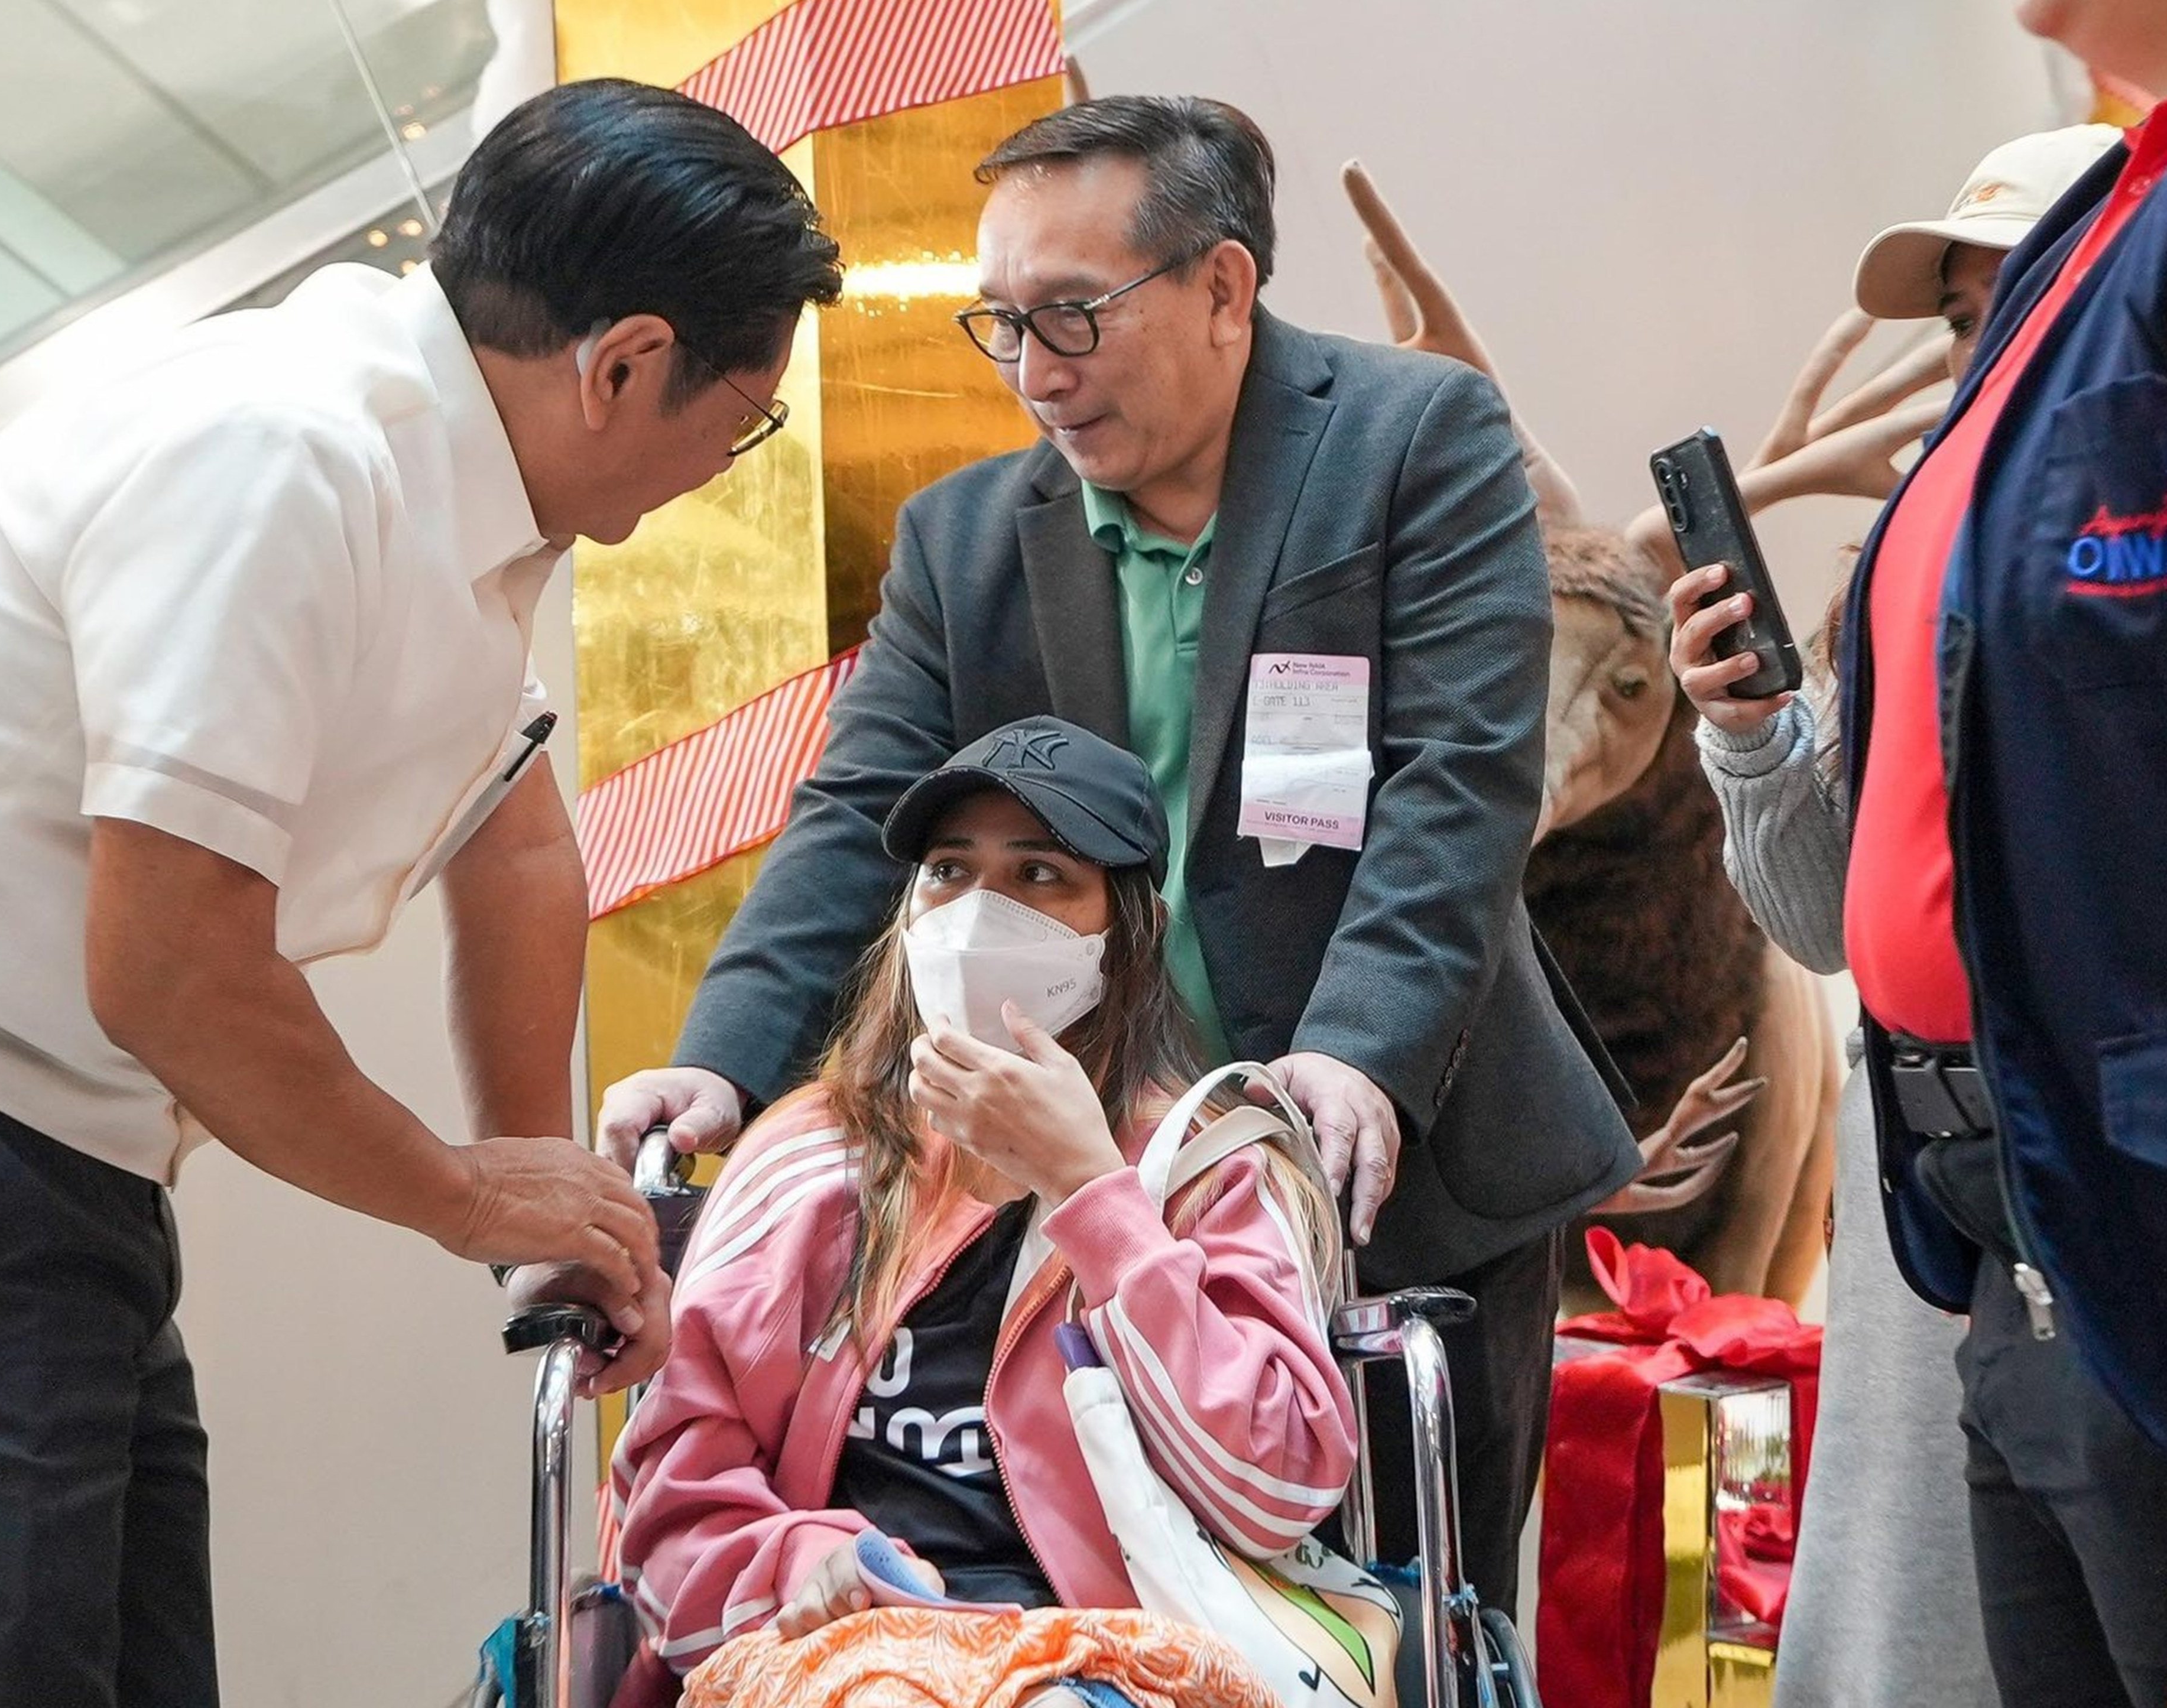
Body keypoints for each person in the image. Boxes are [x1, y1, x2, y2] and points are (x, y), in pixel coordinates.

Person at [0, 79, 840, 1708]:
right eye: (738, 417)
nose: (725, 463)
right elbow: (173, 969)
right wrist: (460, 1194)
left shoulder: (452, 466)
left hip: (60, 1139)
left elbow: (516, 832)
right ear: (622, 366)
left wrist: (538, 1198)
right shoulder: (280, 455)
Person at [598, 95, 1637, 1612]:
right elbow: (852, 810)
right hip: (1084, 1195)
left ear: (1223, 289)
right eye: (1000, 324)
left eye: (1071, 315)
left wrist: (1356, 1052)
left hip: (1397, 1173)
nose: (1034, 372)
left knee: (1406, 1619)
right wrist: (725, 1057)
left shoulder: (1410, 438)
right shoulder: (967, 537)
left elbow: (1458, 781)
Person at [1671, 1, 2167, 1686]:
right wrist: (1750, 734)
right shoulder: (1921, 564)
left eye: (2011, 294)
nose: (1984, 346)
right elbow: (1821, 917)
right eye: (1966, 319)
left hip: (2101, 1192)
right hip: (1951, 1235)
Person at [611, 716, 1356, 1700]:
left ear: (1129, 931)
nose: (978, 913)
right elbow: (667, 1516)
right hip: (844, 1657)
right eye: (949, 872)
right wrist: (807, 1563)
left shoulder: (1206, 1166)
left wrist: (1093, 1192)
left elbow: (1279, 1490)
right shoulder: (806, 1161)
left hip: (1120, 1655)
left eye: (1040, 876)